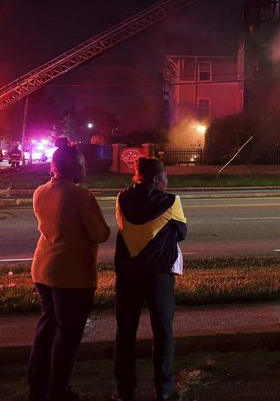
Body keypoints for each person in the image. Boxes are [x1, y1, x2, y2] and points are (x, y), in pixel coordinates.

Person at [28, 144, 110, 401]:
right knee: (68, 335)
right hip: (72, 275)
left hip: (43, 269)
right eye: (82, 163)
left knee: (47, 329)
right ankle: (59, 389)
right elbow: (100, 233)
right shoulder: (81, 196)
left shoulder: (40, 192)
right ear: (72, 166)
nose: (86, 167)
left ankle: (37, 386)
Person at [113, 157, 187, 401]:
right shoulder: (171, 201)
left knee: (125, 332)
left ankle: (125, 389)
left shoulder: (122, 198)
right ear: (156, 179)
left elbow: (124, 228)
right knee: (163, 331)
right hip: (159, 276)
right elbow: (182, 233)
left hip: (128, 275)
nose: (168, 182)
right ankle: (164, 389)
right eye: (165, 178)